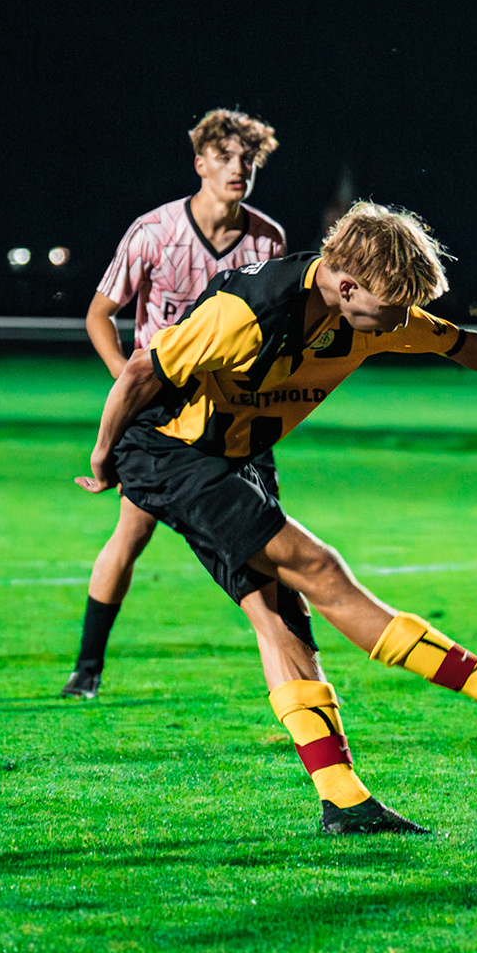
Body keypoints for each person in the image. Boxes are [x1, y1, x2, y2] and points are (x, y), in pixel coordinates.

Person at [77, 203, 477, 834]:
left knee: (281, 614)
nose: (402, 325)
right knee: (316, 567)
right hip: (172, 452)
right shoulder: (249, 312)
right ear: (346, 286)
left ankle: (343, 801)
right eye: (394, 311)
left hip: (238, 454)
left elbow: (468, 347)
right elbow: (140, 370)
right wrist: (102, 459)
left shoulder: (371, 311)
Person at [66, 109, 291, 699]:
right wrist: (131, 382)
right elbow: (98, 315)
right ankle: (86, 670)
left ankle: (288, 657)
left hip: (228, 419)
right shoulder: (154, 232)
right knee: (134, 533)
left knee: (256, 536)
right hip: (159, 419)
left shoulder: (268, 240)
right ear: (200, 165)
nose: (237, 168)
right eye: (224, 158)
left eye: (247, 159)